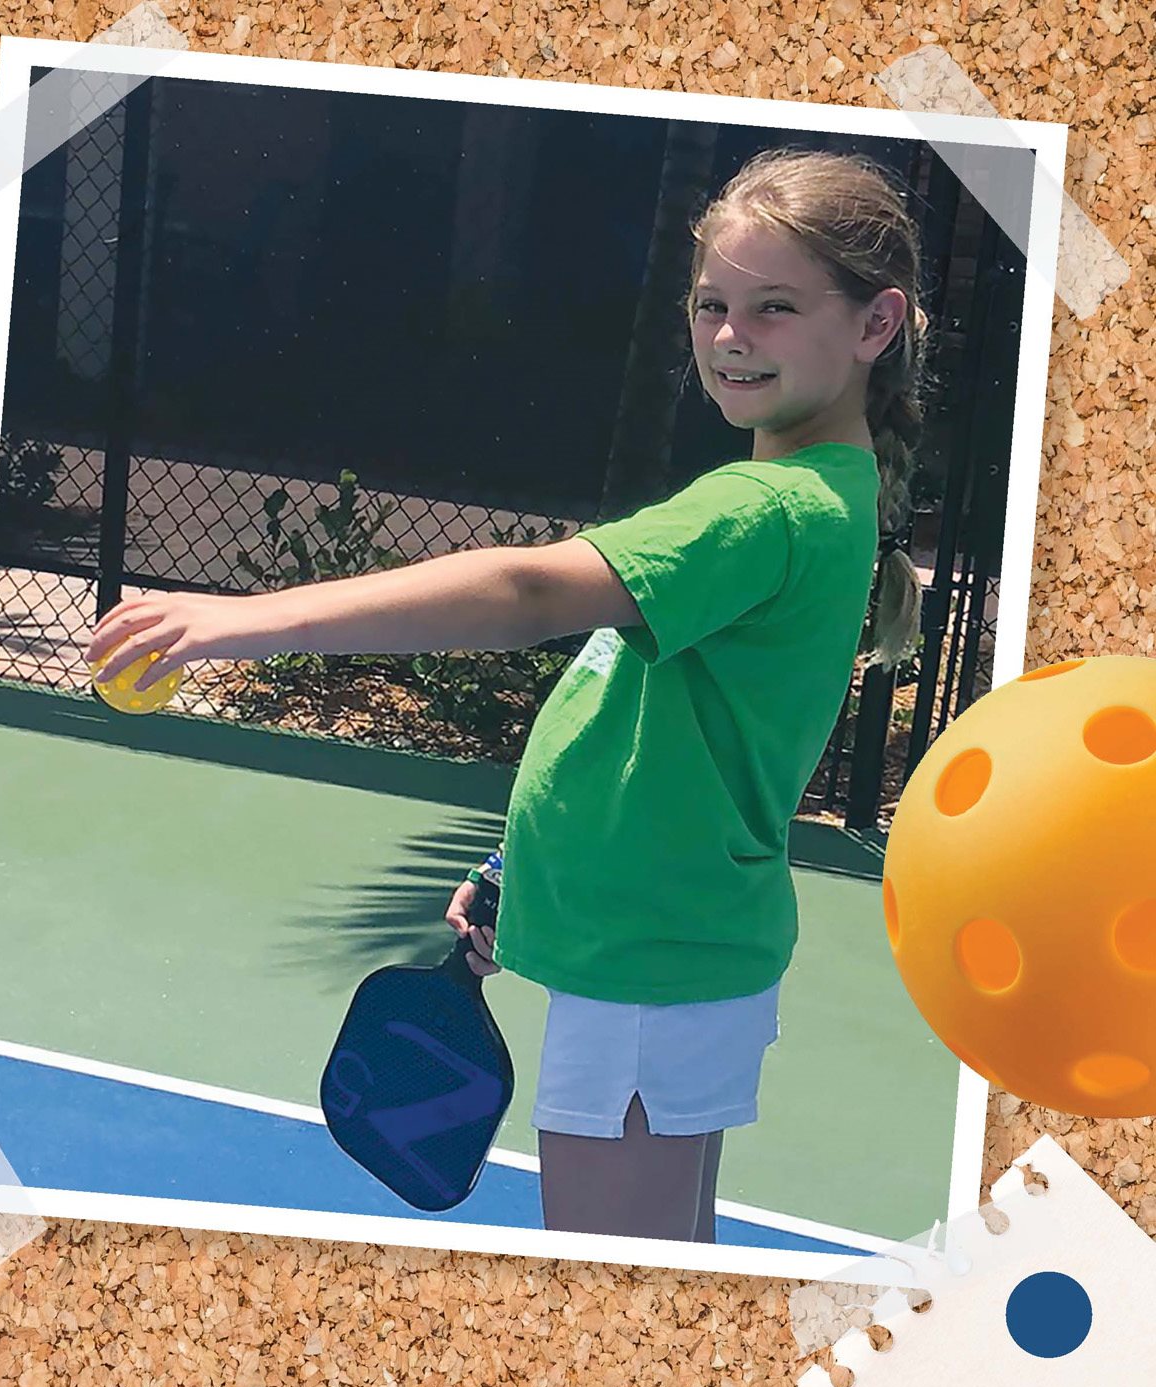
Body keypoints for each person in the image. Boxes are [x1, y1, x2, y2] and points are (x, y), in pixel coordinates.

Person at [86, 145, 933, 1244]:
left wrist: (235, 620)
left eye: (774, 308)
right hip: (676, 943)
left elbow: (528, 588)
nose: (730, 335)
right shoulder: (822, 495)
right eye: (711, 302)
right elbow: (664, 737)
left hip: (648, 964)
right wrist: (514, 869)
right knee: (667, 1263)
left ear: (874, 325)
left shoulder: (764, 507)